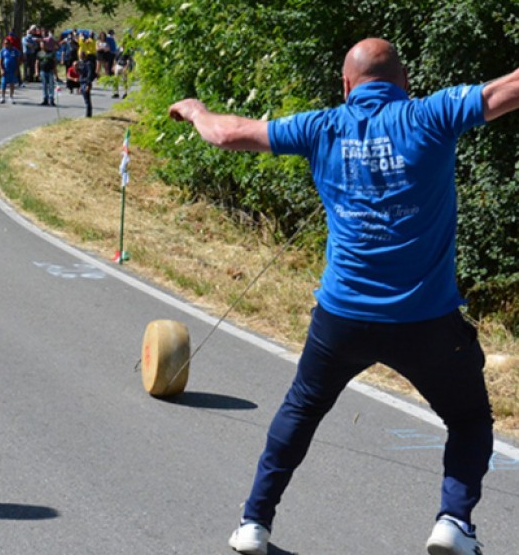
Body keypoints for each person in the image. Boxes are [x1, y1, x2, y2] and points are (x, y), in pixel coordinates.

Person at [168, 37, 519, 555]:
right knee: (468, 421)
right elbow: (506, 92)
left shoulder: (321, 125)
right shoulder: (432, 114)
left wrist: (194, 108)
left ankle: (253, 524)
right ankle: (453, 523)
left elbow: (226, 134)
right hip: (426, 320)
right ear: (404, 82)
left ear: (347, 85)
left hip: (342, 317)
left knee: (302, 410)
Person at [0, 37, 20, 105]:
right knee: (3, 83)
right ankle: (2, 97)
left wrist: (17, 69)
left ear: (10, 43)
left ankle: (11, 97)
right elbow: (0, 61)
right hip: (5, 70)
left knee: (12, 83)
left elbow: (17, 60)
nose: (5, 44)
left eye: (7, 43)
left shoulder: (15, 50)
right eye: (4, 43)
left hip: (12, 70)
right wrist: (1, 69)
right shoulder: (2, 51)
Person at [35, 39, 57, 106]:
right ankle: (45, 99)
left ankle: (51, 99)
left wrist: (56, 73)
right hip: (43, 71)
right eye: (41, 44)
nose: (42, 45)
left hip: (50, 71)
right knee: (44, 86)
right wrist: (36, 72)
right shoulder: (39, 53)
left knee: (51, 86)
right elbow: (37, 63)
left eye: (43, 44)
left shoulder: (51, 53)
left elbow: (54, 63)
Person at [75, 50, 94, 117]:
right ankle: (88, 114)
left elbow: (89, 75)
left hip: (86, 83)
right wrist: (76, 68)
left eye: (81, 55)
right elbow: (80, 74)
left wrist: (88, 85)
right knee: (85, 99)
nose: (80, 57)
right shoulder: (81, 63)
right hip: (82, 82)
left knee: (87, 100)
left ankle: (88, 114)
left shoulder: (88, 64)